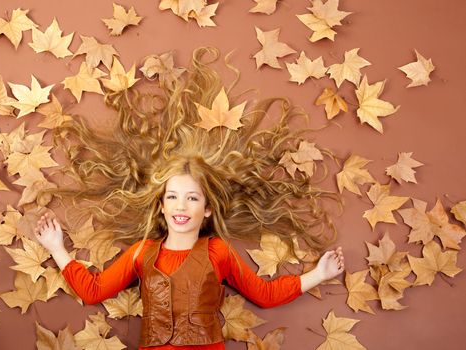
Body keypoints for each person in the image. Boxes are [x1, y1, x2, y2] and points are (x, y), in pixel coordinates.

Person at [34, 47, 345, 349]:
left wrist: (319, 274)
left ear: (208, 209)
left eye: (192, 198)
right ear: (162, 206)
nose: (181, 206)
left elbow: (264, 294)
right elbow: (94, 291)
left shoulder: (218, 253)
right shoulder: (142, 253)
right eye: (172, 197)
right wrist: (56, 248)